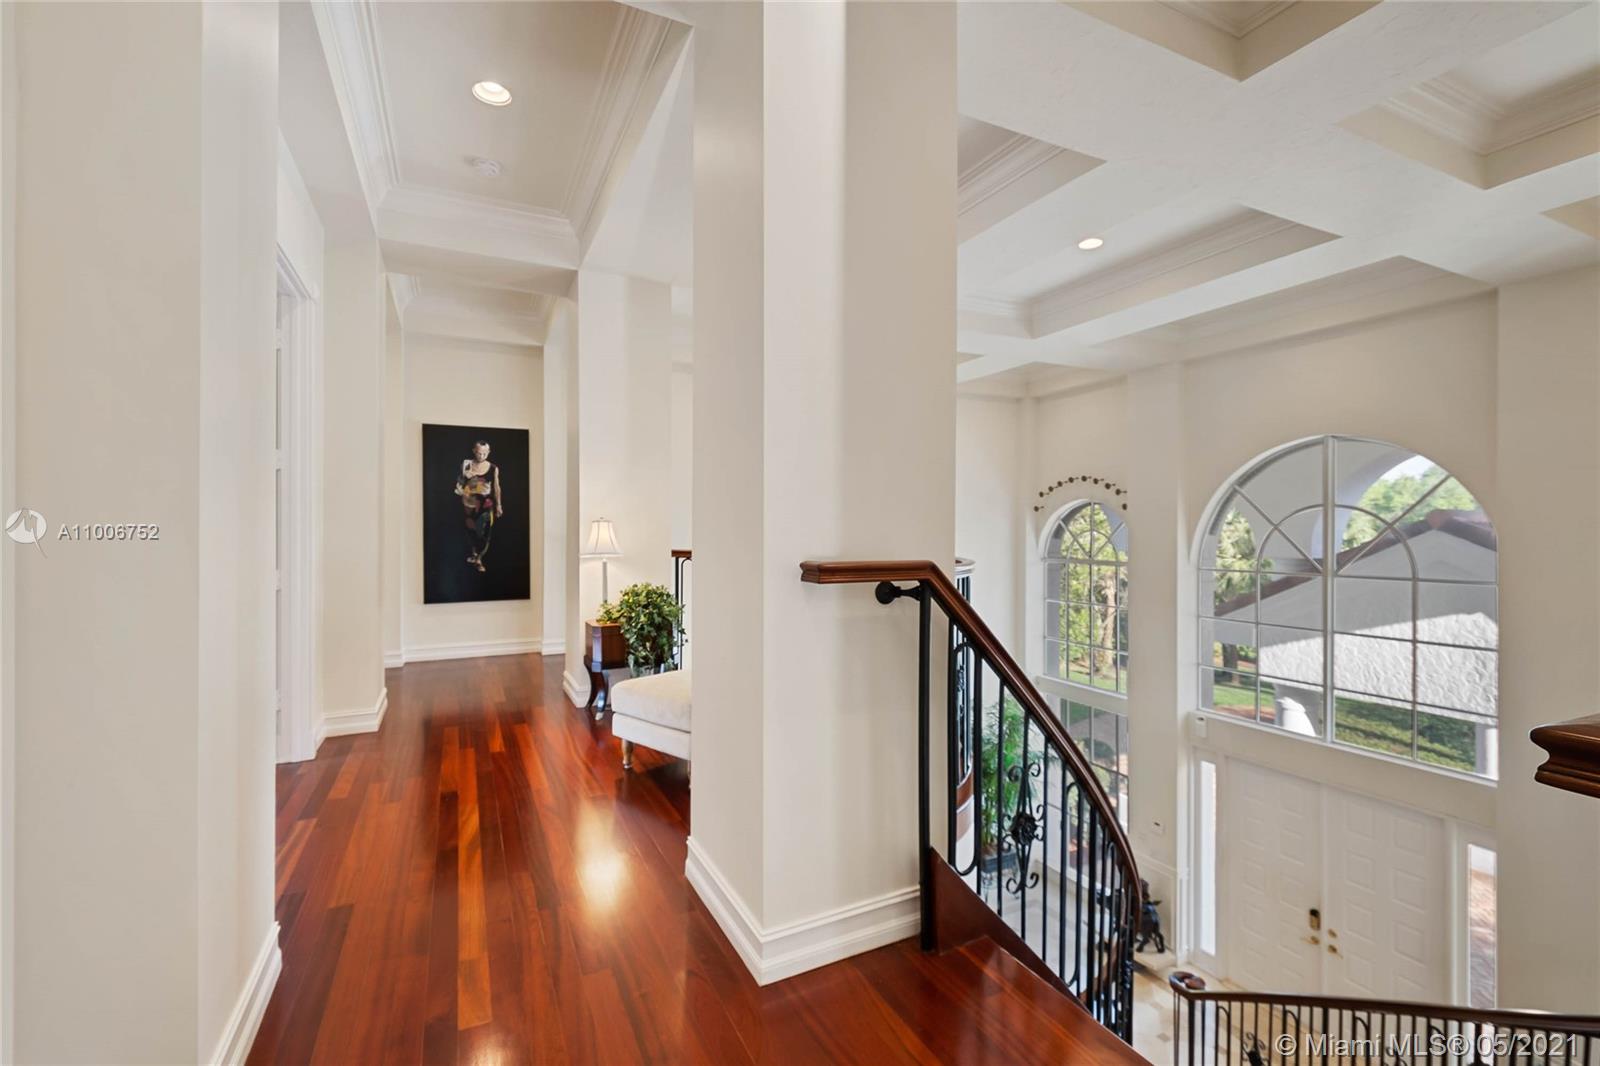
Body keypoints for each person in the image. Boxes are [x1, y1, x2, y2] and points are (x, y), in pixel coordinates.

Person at [454, 440, 502, 573]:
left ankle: (479, 557)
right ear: (474, 451)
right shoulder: (466, 464)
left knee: (484, 532)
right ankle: (475, 555)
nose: (481, 456)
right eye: (479, 453)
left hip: (486, 505)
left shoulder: (493, 468)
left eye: (485, 453)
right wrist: (465, 481)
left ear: (489, 452)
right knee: (470, 530)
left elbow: (496, 488)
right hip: (468, 504)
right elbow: (460, 483)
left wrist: (498, 505)